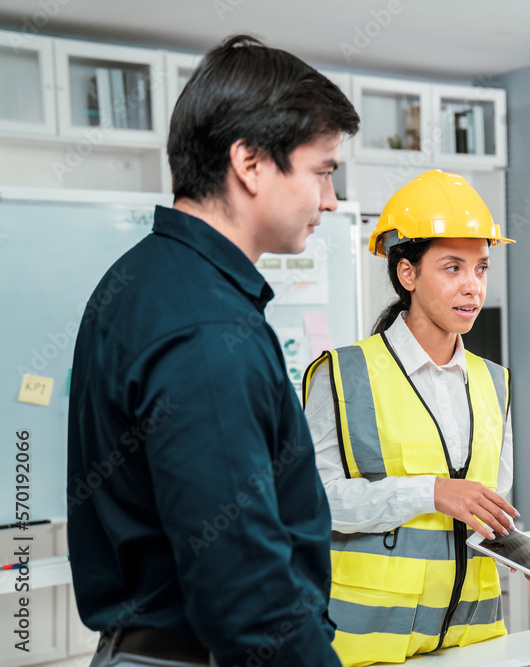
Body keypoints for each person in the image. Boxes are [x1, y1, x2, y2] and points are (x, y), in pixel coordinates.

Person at [66, 35, 358, 667]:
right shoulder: (203, 328)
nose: (331, 201)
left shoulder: (148, 280)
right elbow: (248, 598)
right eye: (323, 170)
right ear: (250, 162)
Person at [303, 170, 520, 666]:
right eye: (452, 267)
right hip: (369, 643)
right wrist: (430, 491)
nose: (473, 287)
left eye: (481, 268)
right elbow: (313, 504)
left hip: (473, 638)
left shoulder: (495, 382)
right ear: (408, 274)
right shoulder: (342, 376)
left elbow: (490, 502)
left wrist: (521, 550)